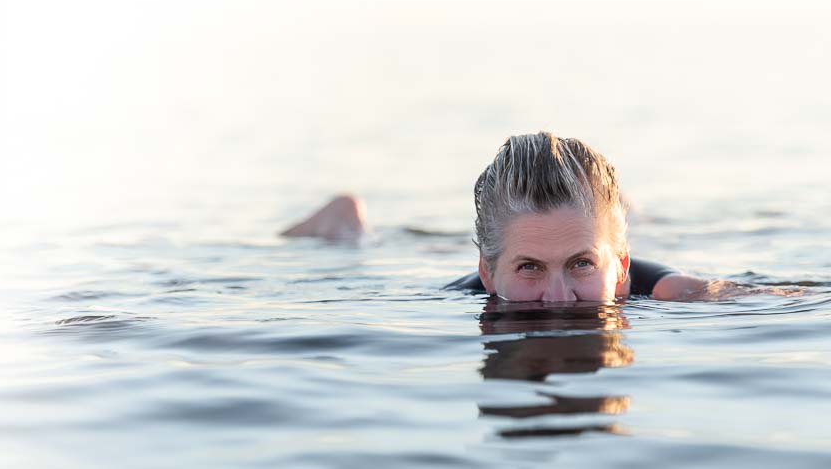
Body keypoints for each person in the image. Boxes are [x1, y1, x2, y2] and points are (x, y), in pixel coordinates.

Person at [282, 131, 800, 302]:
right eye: (529, 268)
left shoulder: (655, 286)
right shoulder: (465, 291)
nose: (559, 298)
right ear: (488, 274)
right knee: (360, 241)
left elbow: (757, 296)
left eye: (580, 265)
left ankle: (616, 208)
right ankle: (346, 220)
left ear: (620, 269)